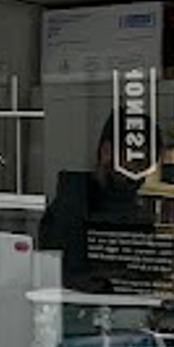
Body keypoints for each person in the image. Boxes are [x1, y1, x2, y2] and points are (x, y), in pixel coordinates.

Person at [37, 117, 144, 290]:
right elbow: (65, 278)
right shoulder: (71, 211)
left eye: (147, 167)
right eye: (136, 162)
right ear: (107, 152)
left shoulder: (129, 209)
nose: (140, 175)